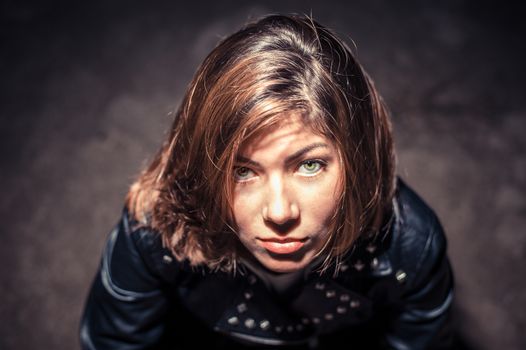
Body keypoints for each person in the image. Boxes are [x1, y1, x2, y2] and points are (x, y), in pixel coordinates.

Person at [79, 14, 454, 350]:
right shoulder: (153, 226)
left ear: (359, 161)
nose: (279, 211)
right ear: (201, 169)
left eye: (309, 165)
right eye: (242, 171)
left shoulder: (412, 244)